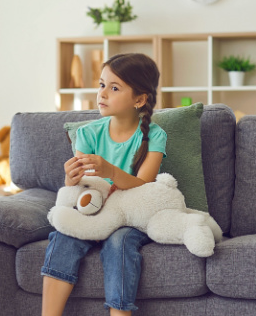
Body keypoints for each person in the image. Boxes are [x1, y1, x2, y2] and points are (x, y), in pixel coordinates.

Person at [41, 53, 167, 316]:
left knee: (119, 243)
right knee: (64, 235)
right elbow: (80, 190)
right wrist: (70, 180)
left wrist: (110, 170)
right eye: (101, 85)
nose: (103, 94)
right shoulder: (87, 134)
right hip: (92, 213)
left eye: (114, 88)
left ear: (140, 99)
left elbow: (145, 185)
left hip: (129, 219)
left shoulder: (154, 135)